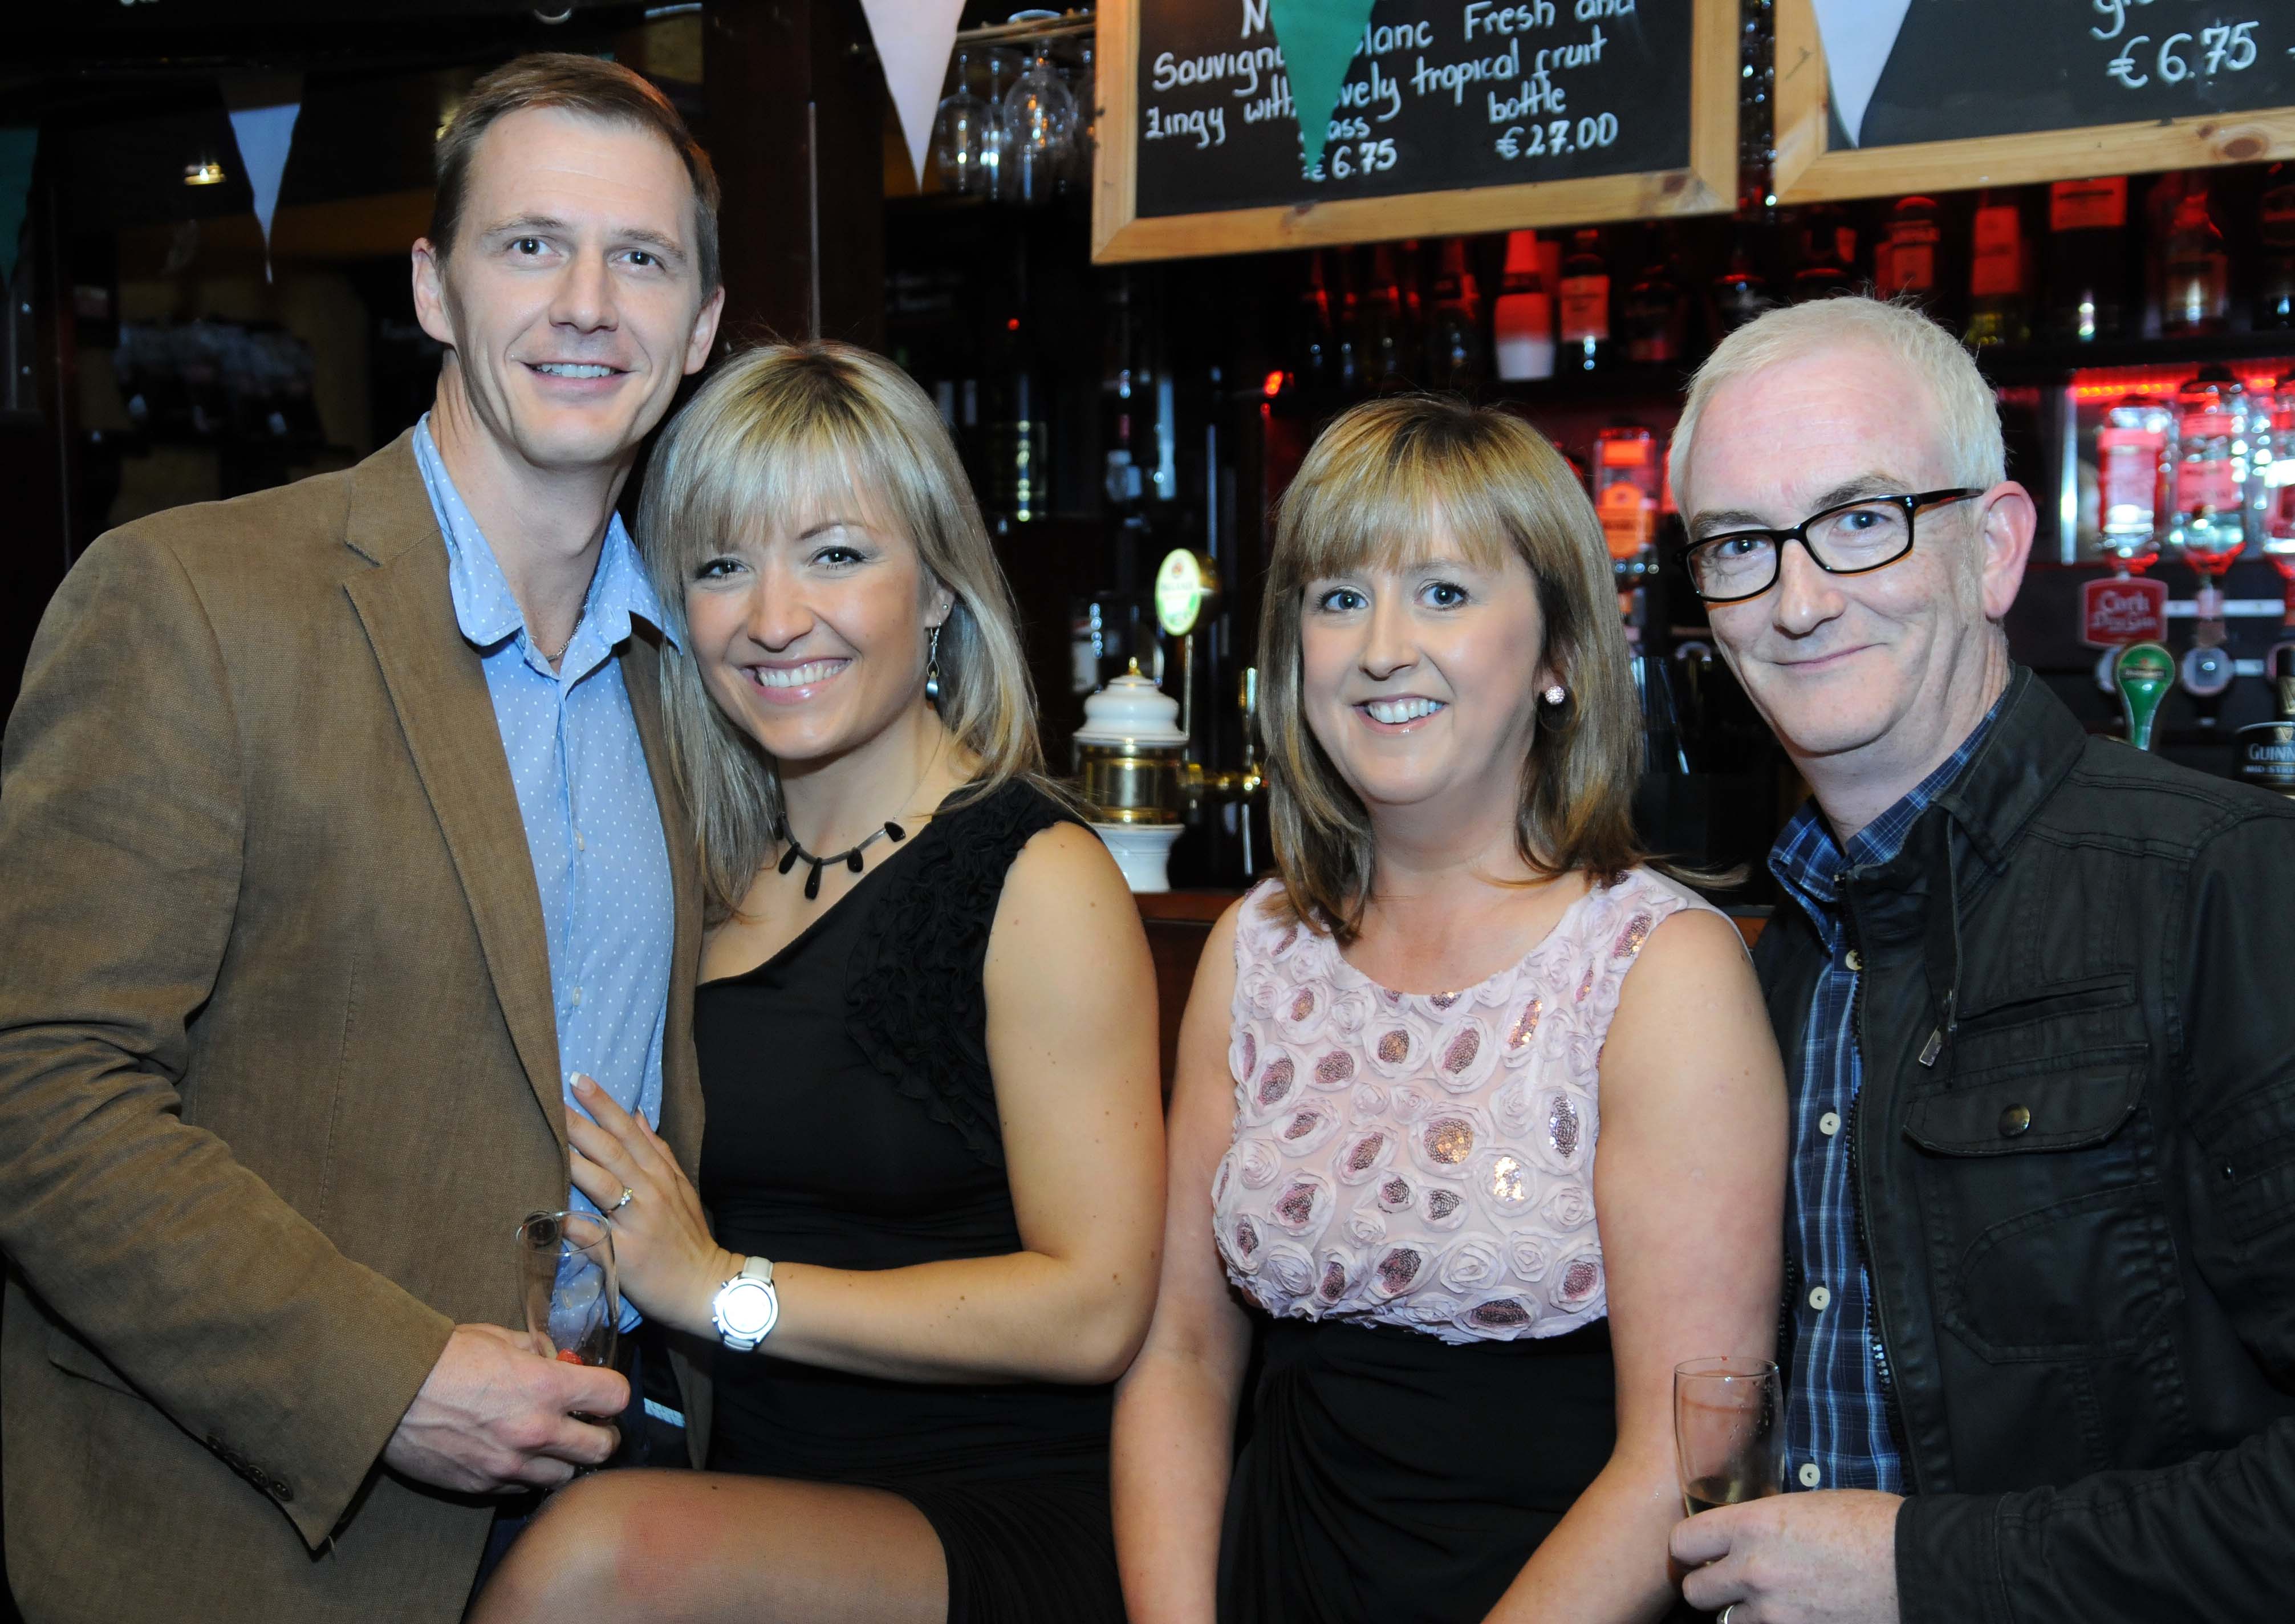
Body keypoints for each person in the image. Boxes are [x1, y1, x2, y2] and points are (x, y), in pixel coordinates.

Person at [0, 53, 724, 1624]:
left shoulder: (689, 678)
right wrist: (384, 1380)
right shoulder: (194, 602)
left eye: (642, 258)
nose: (588, 304)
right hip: (256, 1547)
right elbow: (42, 1096)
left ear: (702, 326)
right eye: (530, 245)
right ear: (433, 288)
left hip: (602, 1520)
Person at [468, 341, 1165, 1624]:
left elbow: (1096, 1308)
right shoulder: (697, 875)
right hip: (743, 1488)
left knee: (598, 1557)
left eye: (835, 554)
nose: (775, 617)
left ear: (940, 588)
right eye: (721, 566)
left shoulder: (1036, 876)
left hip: (989, 1508)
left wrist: (722, 1288)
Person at [1664, 294, 2295, 1624]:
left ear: (1997, 547)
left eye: (1861, 519)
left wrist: (1922, 1570)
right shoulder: (1760, 958)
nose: (1797, 600)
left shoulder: (2226, 885)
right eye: (1739, 543)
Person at [1111, 393, 1788, 1624]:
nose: (1380, 647)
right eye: (1338, 597)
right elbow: (1182, 1359)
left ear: (1559, 655)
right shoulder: (1257, 950)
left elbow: (1683, 1448)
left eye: (1442, 592)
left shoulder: (1658, 968)